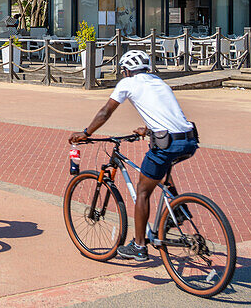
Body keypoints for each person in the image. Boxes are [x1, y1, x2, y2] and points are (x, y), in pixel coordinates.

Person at [69, 49, 198, 263]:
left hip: (167, 143)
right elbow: (164, 112)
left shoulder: (127, 83)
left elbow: (105, 112)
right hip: (189, 140)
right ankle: (178, 209)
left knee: (142, 191)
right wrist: (147, 130)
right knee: (161, 172)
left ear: (126, 70)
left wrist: (85, 133)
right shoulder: (157, 81)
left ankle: (139, 246)